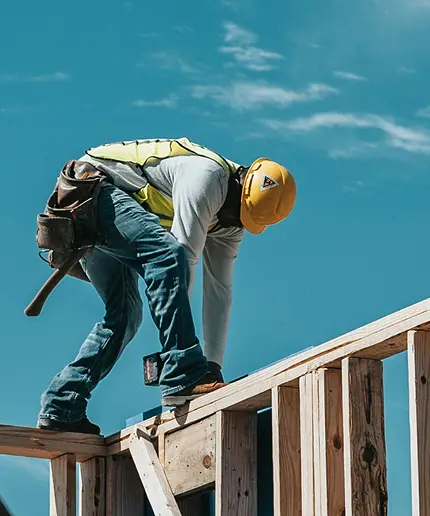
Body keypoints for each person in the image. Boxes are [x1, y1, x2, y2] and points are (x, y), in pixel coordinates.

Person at [36, 138, 295, 434]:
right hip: (89, 191)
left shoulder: (230, 222)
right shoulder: (207, 177)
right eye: (234, 213)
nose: (230, 222)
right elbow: (180, 259)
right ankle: (182, 370)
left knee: (124, 317)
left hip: (104, 210)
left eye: (240, 220)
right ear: (240, 183)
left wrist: (213, 366)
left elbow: (219, 292)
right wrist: (184, 365)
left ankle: (62, 404)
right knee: (167, 255)